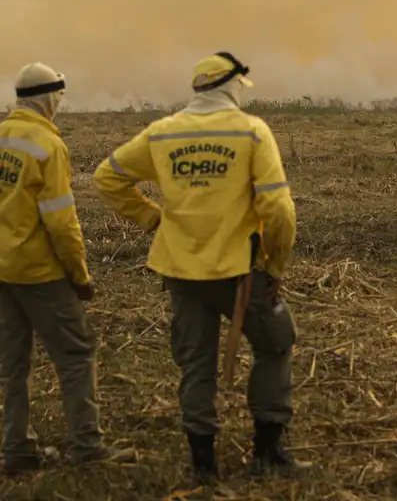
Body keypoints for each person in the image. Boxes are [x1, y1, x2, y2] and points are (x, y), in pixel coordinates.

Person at [93, 52, 308, 484]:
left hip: (181, 271)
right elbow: (279, 209)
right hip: (241, 272)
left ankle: (203, 466)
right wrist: (276, 265)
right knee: (275, 344)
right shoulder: (251, 132)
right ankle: (267, 452)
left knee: (197, 364)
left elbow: (107, 176)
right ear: (231, 87)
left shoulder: (162, 133)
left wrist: (154, 219)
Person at [0, 63, 133, 474]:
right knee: (76, 356)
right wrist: (80, 276)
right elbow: (61, 221)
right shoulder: (46, 145)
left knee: (12, 364)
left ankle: (17, 451)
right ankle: (87, 446)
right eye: (59, 96)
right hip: (40, 272)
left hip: (2, 271)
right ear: (48, 97)